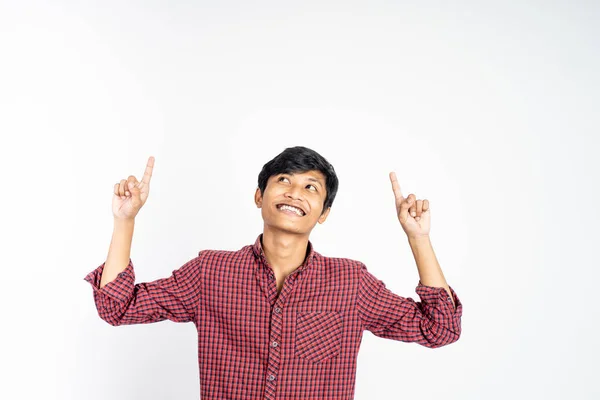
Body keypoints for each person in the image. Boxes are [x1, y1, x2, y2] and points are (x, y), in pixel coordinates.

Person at [84, 146, 463, 400]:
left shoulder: (351, 283)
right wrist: (125, 221)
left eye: (311, 187)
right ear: (259, 196)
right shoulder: (211, 272)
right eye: (284, 180)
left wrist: (418, 238)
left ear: (323, 212)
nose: (295, 192)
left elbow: (440, 329)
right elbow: (118, 308)